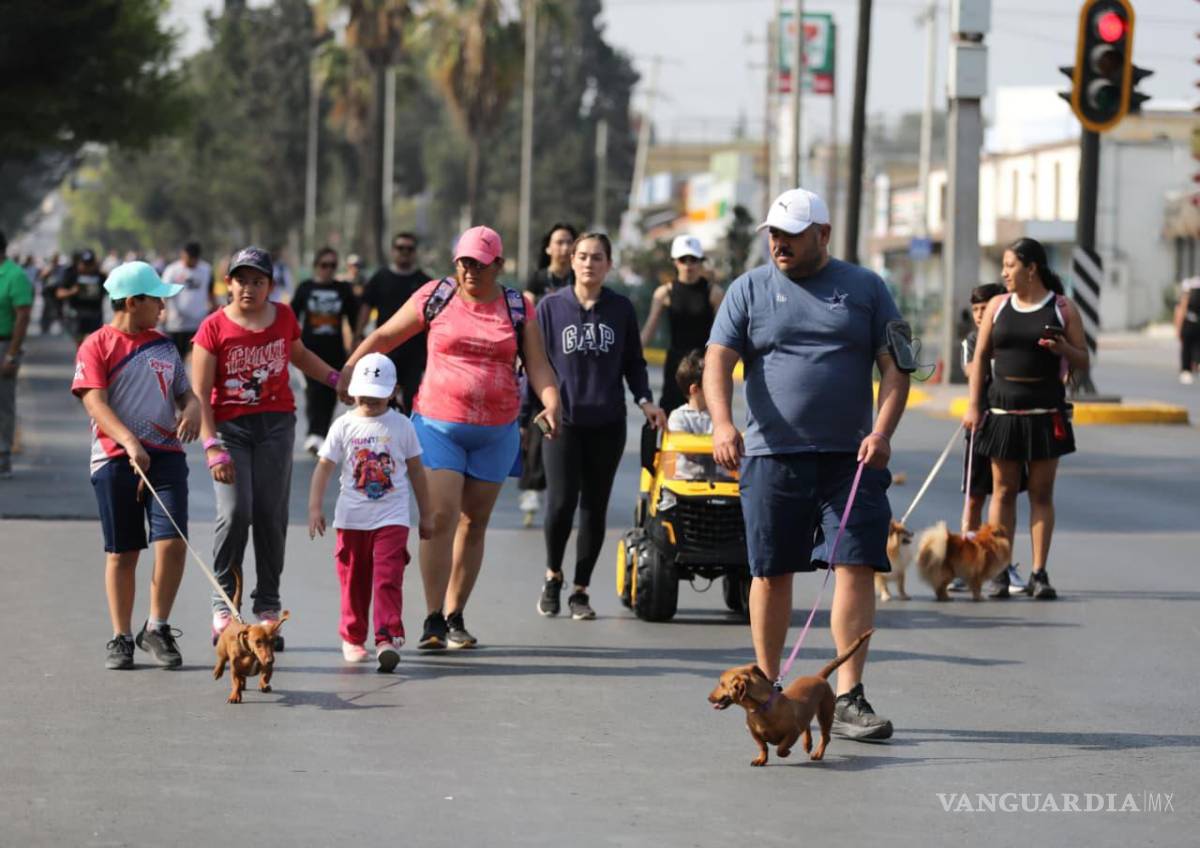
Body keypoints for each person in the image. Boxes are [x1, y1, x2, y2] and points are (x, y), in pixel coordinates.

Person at [706, 188, 909, 741]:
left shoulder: (866, 288)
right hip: (772, 458)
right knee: (770, 572)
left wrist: (882, 433)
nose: (778, 243)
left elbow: (896, 368)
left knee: (856, 566)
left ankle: (848, 696)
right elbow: (717, 361)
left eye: (790, 234)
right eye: (773, 233)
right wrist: (724, 424)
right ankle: (768, 687)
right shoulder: (748, 289)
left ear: (822, 234)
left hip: (851, 458)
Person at [339, 226, 561, 650]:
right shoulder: (435, 296)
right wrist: (352, 367)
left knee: (474, 524)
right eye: (464, 261)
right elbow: (386, 335)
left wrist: (552, 401)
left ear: (499, 264)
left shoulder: (518, 307)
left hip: (496, 431)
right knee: (439, 518)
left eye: (480, 263)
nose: (470, 270)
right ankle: (432, 618)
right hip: (438, 425)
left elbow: (538, 365)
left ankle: (456, 614)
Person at [192, 246, 345, 643]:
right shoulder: (213, 328)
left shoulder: (284, 318)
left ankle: (267, 606)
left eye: (257, 281)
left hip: (276, 425)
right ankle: (224, 604)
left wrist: (336, 380)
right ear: (229, 283)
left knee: (270, 515)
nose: (248, 288)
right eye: (241, 279)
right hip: (230, 430)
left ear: (269, 286)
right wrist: (211, 446)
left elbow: (300, 356)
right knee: (235, 511)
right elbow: (200, 392)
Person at [70, 261, 201, 669]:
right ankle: (121, 636)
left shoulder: (163, 345)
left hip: (165, 456)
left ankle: (157, 627)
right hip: (114, 459)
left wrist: (193, 408)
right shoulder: (97, 345)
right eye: (157, 299)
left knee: (173, 541)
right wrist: (127, 441)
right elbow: (94, 401)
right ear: (132, 301)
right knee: (123, 552)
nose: (163, 307)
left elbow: (185, 393)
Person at [534, 232, 666, 620]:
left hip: (607, 423)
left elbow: (634, 363)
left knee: (594, 507)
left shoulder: (621, 309)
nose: (589, 263)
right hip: (563, 423)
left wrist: (644, 401)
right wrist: (534, 409)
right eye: (583, 256)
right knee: (559, 505)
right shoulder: (550, 307)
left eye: (597, 257)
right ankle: (553, 574)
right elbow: (535, 362)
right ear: (571, 261)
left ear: (609, 264)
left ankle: (580, 590)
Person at [965, 237, 1089, 601]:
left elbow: (1083, 360)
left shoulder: (1063, 308)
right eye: (1003, 266)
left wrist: (1062, 348)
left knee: (1041, 493)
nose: (1004, 273)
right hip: (1002, 411)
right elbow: (980, 359)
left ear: (1031, 268)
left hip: (1045, 412)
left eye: (1010, 265)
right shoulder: (998, 307)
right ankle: (1000, 570)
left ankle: (1038, 572)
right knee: (1001, 491)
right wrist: (974, 406)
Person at [308, 353, 432, 671]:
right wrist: (314, 507)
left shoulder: (402, 425)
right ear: (353, 391)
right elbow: (324, 467)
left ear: (392, 392)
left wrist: (426, 514)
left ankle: (387, 636)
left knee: (388, 576)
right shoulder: (344, 425)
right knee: (354, 580)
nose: (370, 400)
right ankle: (353, 636)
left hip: (392, 517)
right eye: (364, 394)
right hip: (351, 519)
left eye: (378, 395)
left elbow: (417, 471)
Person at [957, 282, 1027, 596]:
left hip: (1009, 427)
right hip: (980, 428)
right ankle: (964, 561)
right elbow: (973, 371)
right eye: (975, 310)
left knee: (1006, 494)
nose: (979, 315)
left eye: (985, 309)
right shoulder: (972, 341)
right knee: (975, 496)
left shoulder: (1013, 340)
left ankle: (1002, 564)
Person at [517, 222, 578, 527]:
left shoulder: (579, 278)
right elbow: (526, 313)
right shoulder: (538, 279)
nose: (565, 248)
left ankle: (564, 486)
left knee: (567, 421)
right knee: (535, 423)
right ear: (548, 248)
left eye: (570, 242)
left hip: (569, 357)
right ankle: (531, 486)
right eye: (560, 242)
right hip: (538, 356)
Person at [640, 234, 725, 413]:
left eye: (693, 259)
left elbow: (722, 335)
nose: (688, 264)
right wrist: (629, 356)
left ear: (700, 261)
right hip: (675, 365)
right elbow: (649, 329)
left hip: (703, 364)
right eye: (683, 259)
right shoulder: (664, 293)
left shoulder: (714, 293)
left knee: (705, 417)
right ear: (674, 262)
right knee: (670, 414)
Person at [291, 247, 358, 454]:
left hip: (336, 350)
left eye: (332, 265)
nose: (327, 270)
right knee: (313, 392)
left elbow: (354, 318)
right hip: (308, 351)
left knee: (331, 392)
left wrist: (358, 342)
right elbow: (292, 316)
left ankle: (320, 434)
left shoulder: (343, 289)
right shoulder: (305, 288)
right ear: (316, 266)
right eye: (324, 265)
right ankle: (314, 434)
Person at [357, 233, 432, 414]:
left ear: (415, 252)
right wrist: (357, 336)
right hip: (385, 351)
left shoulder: (425, 282)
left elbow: (433, 319)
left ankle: (408, 437)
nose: (404, 252)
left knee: (412, 400)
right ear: (393, 251)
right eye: (400, 248)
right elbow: (366, 307)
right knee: (383, 398)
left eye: (409, 249)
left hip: (415, 352)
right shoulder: (380, 278)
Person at [1, 231, 34, 479]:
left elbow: (22, 315)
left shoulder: (15, 276)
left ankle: (2, 455)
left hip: (4, 345)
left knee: (3, 403)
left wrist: (12, 354)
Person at [161, 241, 216, 359]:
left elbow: (210, 292)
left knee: (198, 356)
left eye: (193, 258)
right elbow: (165, 293)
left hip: (199, 322)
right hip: (176, 323)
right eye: (187, 257)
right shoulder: (172, 270)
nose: (190, 261)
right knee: (177, 357)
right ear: (182, 255)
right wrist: (164, 311)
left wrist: (214, 309)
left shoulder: (206, 269)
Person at [57, 249, 107, 346]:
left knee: (94, 344)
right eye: (85, 264)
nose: (87, 267)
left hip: (95, 314)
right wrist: (72, 291)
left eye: (90, 264)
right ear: (79, 263)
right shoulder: (71, 274)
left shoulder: (101, 276)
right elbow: (59, 293)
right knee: (80, 343)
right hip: (77, 315)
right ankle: (81, 359)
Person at [667, 349, 712, 435]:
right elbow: (678, 444)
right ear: (694, 390)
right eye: (711, 384)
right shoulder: (678, 417)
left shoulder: (718, 416)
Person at [1175, 275, 1200, 384]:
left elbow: (1181, 309)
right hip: (1193, 323)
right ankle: (1190, 368)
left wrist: (1178, 327)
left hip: (1192, 323)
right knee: (1192, 347)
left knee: (1190, 348)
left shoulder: (1189, 290)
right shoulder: (1191, 289)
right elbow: (1182, 309)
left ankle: (1189, 369)